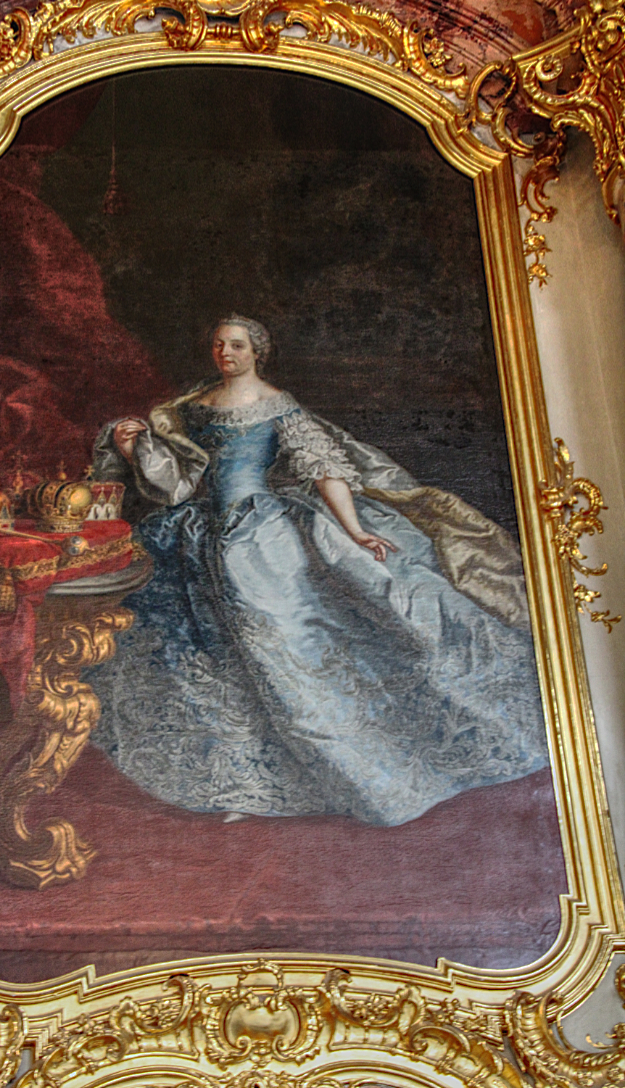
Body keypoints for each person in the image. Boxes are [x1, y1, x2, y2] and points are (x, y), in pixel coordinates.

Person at [91, 316, 548, 825]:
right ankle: (240, 776)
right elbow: (176, 485)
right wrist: (136, 448)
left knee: (285, 643)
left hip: (260, 537)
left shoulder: (277, 405)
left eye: (236, 345)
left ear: (257, 352)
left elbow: (325, 469)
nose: (225, 353)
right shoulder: (192, 406)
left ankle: (341, 772)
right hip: (197, 534)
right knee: (201, 647)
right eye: (218, 345)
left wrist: (355, 531)